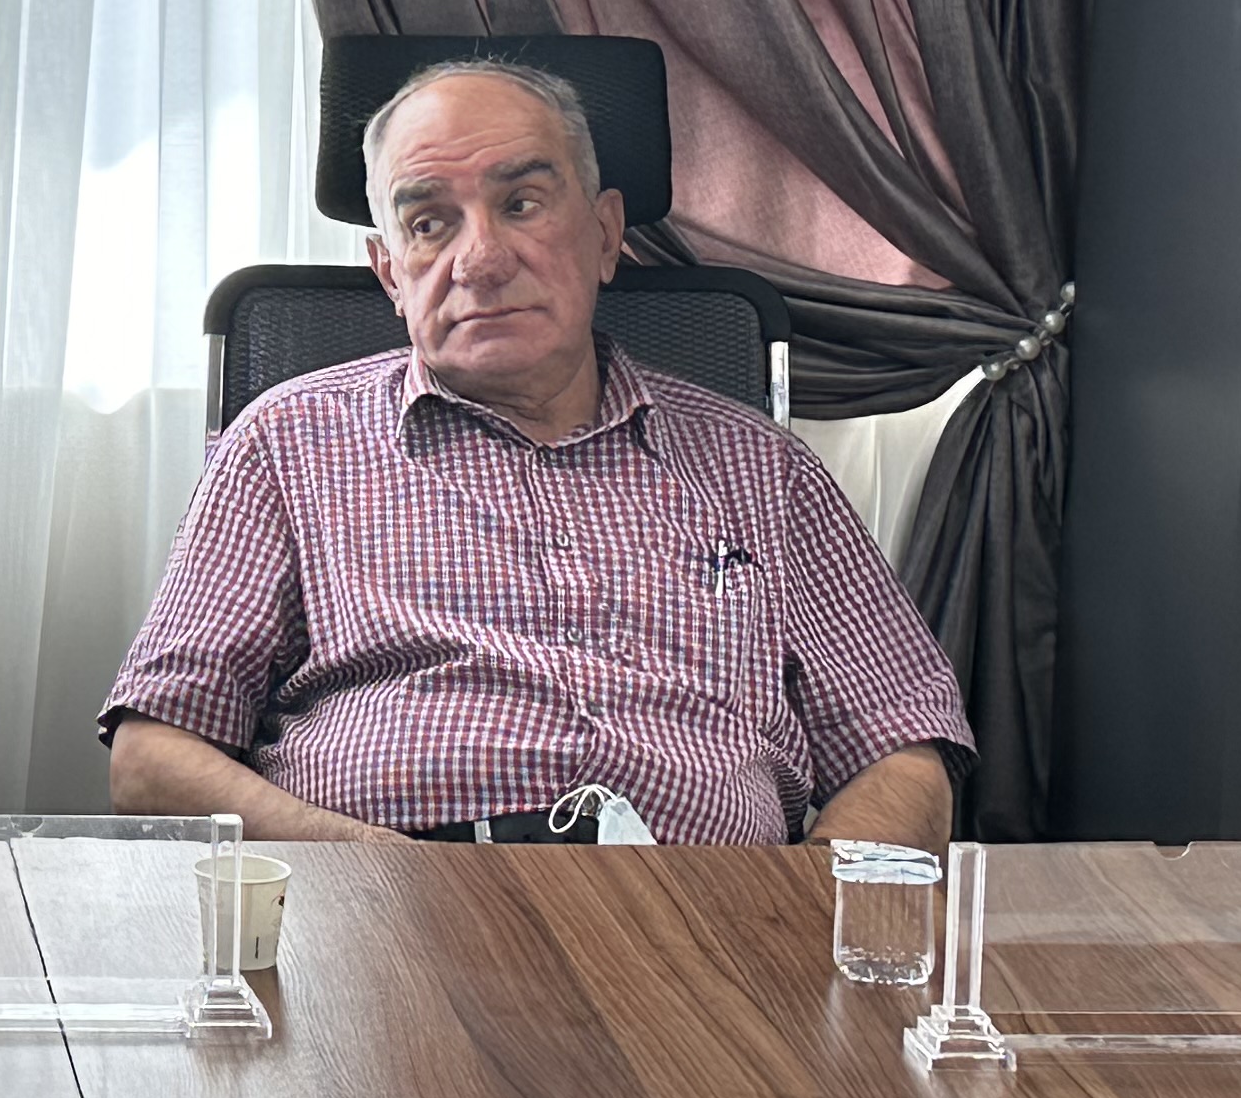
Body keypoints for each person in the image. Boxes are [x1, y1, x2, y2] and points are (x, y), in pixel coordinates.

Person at [106, 57, 966, 847]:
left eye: (521, 204)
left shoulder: (763, 471)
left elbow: (903, 750)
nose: (480, 260)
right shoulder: (286, 443)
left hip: (700, 916)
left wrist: (792, 922)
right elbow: (154, 757)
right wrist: (372, 873)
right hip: (387, 912)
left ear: (604, 234)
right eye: (429, 222)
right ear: (391, 274)